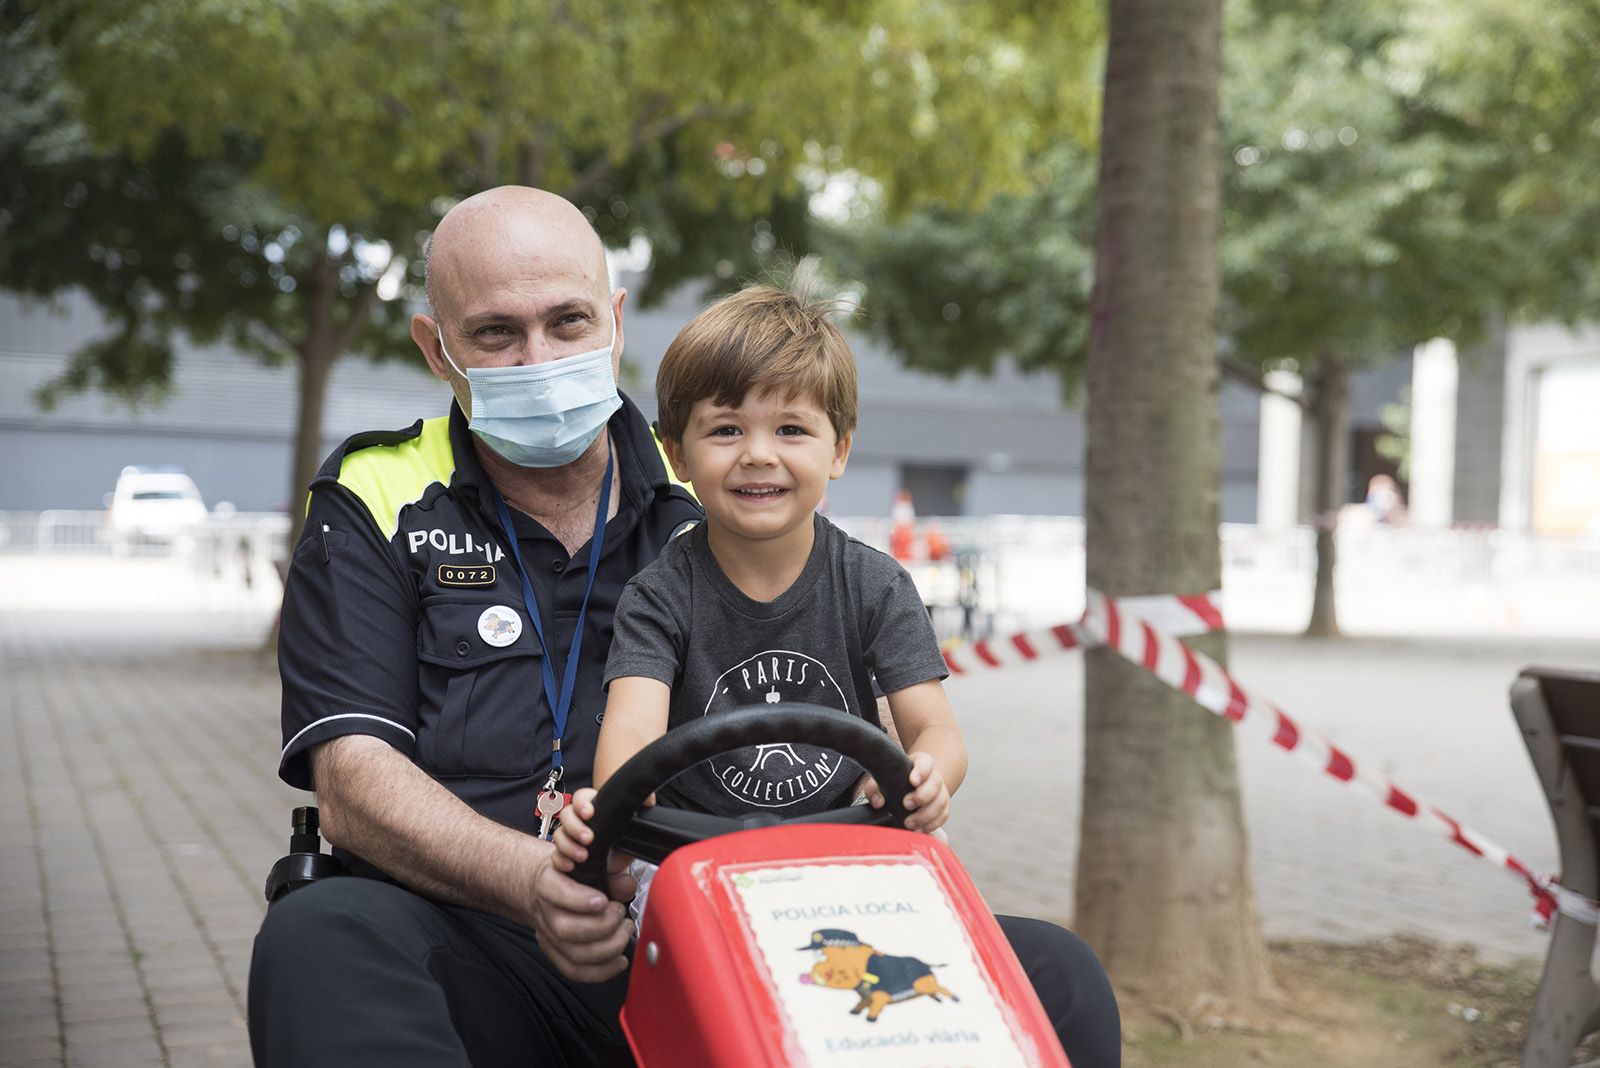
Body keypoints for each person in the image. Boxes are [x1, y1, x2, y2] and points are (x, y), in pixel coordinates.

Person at [248, 186, 1120, 1068]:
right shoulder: (375, 497)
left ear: (616, 323)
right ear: (437, 348)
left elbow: (906, 726)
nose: (538, 356)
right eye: (496, 333)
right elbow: (354, 787)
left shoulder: (728, 490)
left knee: (1057, 976)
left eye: (568, 321)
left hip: (736, 928)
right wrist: (536, 884)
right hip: (485, 938)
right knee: (322, 934)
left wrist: (911, 787)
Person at [554, 286, 1122, 1068]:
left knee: (951, 976)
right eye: (726, 430)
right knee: (717, 1004)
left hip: (848, 850)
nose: (758, 453)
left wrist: (925, 777)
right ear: (678, 456)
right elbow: (629, 735)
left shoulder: (873, 584)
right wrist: (621, 794)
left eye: (791, 428)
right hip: (696, 863)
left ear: (839, 449)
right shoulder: (662, 592)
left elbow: (935, 732)